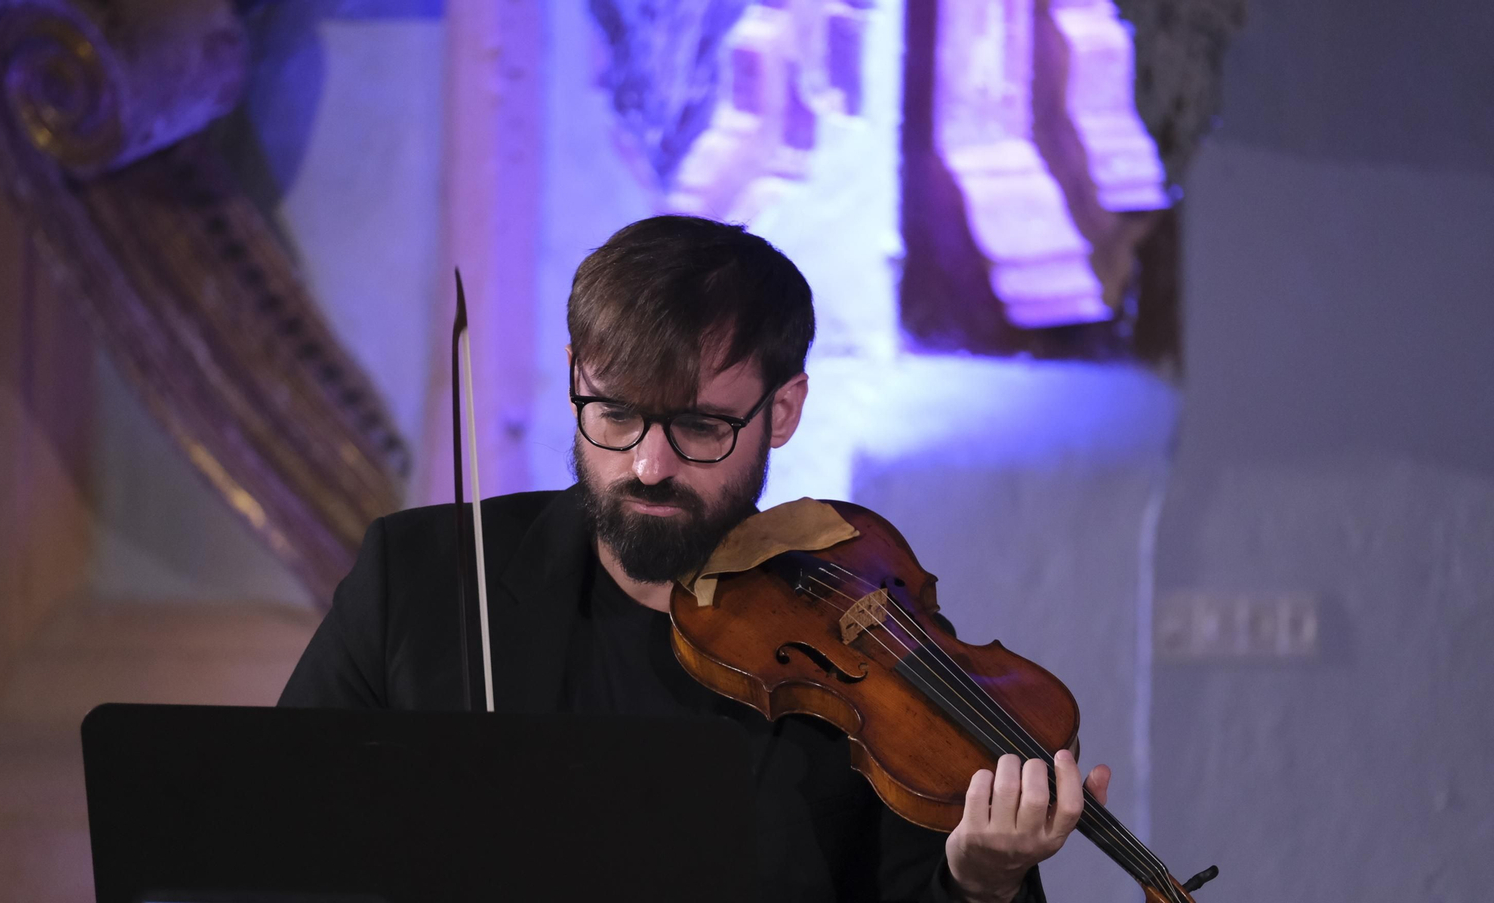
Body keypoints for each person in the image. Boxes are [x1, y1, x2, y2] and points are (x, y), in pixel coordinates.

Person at [279, 215, 1111, 902]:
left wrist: (980, 881)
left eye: (701, 427)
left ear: (782, 410)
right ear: (576, 375)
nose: (648, 464)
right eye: (614, 414)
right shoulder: (419, 579)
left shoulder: (861, 636)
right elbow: (275, 843)